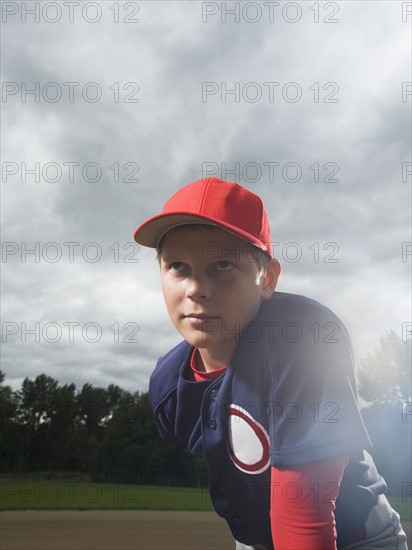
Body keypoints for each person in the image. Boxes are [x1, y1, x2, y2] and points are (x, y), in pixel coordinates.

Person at [133, 177, 408, 549]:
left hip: (354, 536)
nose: (196, 288)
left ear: (268, 279)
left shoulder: (303, 337)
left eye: (223, 264)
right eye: (178, 266)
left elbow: (303, 517)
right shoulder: (169, 386)